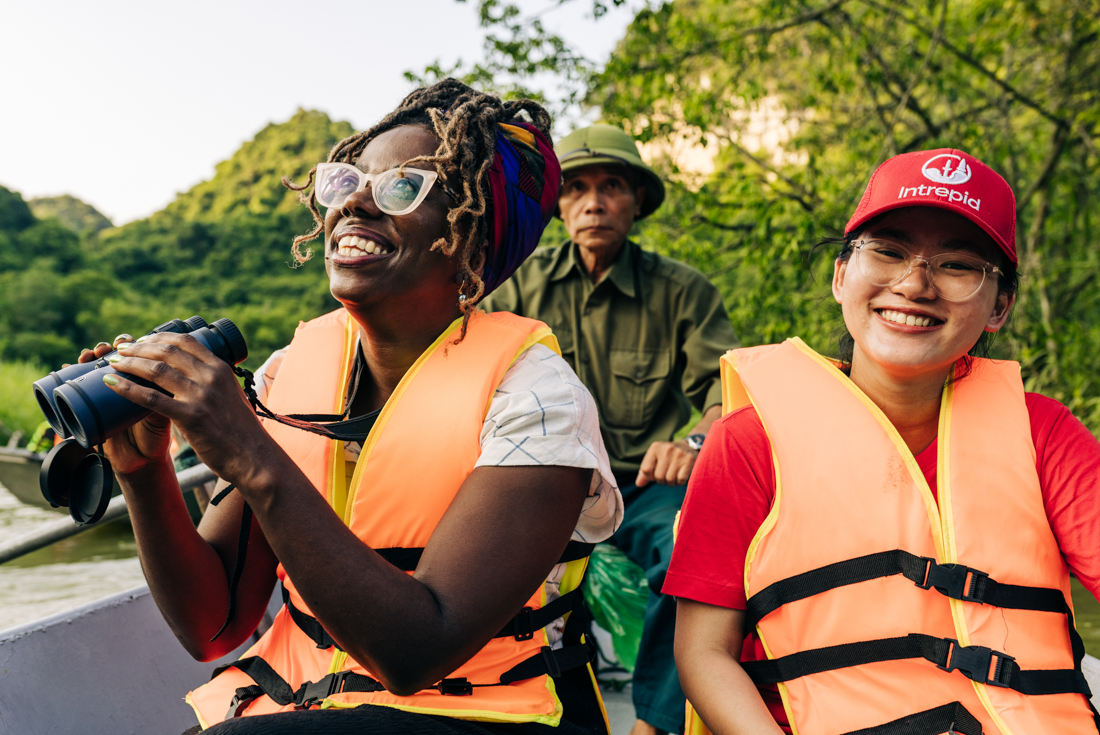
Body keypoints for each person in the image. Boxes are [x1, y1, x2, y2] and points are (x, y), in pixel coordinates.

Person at [76, 79, 623, 734]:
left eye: (402, 188)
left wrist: (251, 454)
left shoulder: (537, 399)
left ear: (471, 245)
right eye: (349, 181)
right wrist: (144, 471)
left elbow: (415, 652)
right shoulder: (288, 374)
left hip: (478, 714)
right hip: (308, 705)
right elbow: (213, 625)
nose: (358, 201)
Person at [666, 148, 1100, 734]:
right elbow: (703, 652)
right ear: (842, 275)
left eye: (957, 265)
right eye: (889, 252)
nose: (916, 283)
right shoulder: (749, 442)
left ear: (999, 305)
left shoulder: (1044, 434)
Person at [483, 123, 738, 735]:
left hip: (644, 484)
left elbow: (727, 395)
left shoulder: (683, 291)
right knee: (483, 563)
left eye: (613, 185)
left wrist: (694, 443)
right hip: (543, 480)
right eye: (576, 188)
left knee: (693, 549)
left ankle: (653, 722)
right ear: (558, 205)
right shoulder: (517, 286)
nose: (594, 201)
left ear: (636, 202)